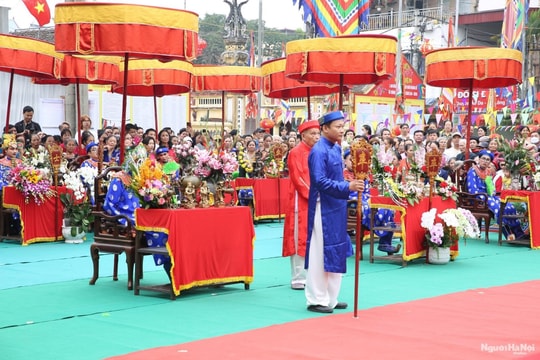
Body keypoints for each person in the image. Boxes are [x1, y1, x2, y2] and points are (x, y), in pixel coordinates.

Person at [304, 111, 364, 314]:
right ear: (324, 128)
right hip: (323, 208)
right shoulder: (318, 151)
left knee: (336, 249)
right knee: (320, 253)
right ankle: (316, 298)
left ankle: (331, 297)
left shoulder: (336, 147)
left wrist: (349, 185)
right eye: (337, 126)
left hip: (337, 205)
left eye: (342, 126)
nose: (341, 129)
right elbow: (319, 181)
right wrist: (347, 187)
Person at [282, 120, 320, 291]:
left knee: (316, 236)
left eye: (318, 133)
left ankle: (314, 274)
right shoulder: (295, 152)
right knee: (299, 236)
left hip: (319, 199)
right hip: (301, 199)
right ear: (303, 135)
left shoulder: (319, 151)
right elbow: (297, 178)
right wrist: (314, 194)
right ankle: (298, 276)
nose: (316, 137)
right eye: (312, 133)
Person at [466, 150, 525, 241]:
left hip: (488, 196)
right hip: (477, 197)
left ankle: (519, 234)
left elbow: (491, 188)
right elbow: (472, 189)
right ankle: (509, 235)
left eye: (487, 160)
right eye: (483, 159)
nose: (485, 161)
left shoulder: (487, 172)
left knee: (509, 206)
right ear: (479, 159)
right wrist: (485, 196)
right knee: (498, 208)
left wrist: (492, 193)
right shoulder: (472, 170)